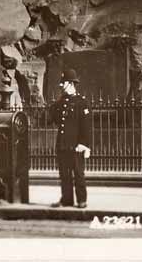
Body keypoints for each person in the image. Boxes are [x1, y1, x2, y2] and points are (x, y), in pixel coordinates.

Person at [49, 68, 92, 208]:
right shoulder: (61, 102)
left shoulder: (81, 102)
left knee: (78, 173)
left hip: (76, 145)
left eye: (64, 83)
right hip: (63, 144)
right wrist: (55, 105)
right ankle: (66, 199)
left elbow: (86, 126)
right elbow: (54, 119)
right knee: (65, 174)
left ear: (71, 83)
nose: (61, 86)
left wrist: (84, 144)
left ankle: (82, 200)